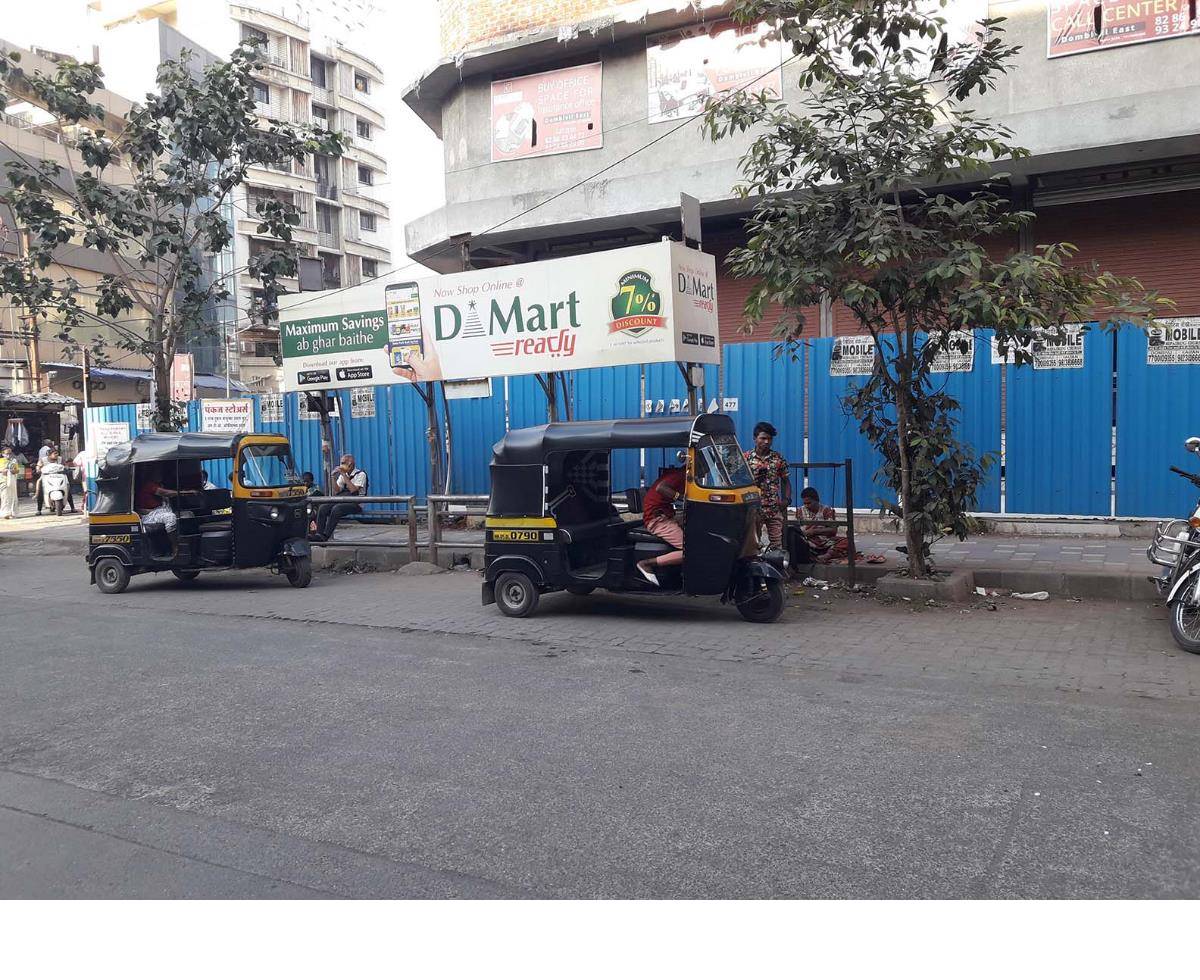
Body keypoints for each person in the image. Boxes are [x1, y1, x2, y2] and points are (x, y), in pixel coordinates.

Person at [635, 465, 685, 586]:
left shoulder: (682, 476)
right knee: (692, 550)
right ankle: (646, 563)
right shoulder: (679, 475)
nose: (706, 471)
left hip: (666, 516)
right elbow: (660, 487)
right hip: (657, 519)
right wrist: (682, 498)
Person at [744, 421, 790, 550]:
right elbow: (738, 483)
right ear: (755, 438)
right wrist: (754, 481)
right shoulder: (746, 458)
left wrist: (786, 499)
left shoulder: (778, 458)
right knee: (754, 543)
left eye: (769, 439)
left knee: (777, 545)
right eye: (763, 438)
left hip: (774, 508)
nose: (766, 442)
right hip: (754, 508)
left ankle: (778, 567)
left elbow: (786, 481)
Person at [313, 454, 367, 541]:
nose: (341, 465)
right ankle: (318, 534)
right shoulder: (343, 475)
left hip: (356, 503)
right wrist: (333, 477)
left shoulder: (361, 474)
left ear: (350, 464)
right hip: (343, 500)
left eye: (343, 463)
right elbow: (337, 491)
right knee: (323, 507)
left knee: (337, 508)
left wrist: (343, 474)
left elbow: (353, 490)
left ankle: (325, 536)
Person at [797, 486, 847, 562]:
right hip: (808, 542)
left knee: (847, 541)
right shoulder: (800, 511)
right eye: (805, 503)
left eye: (809, 503)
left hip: (825, 541)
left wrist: (815, 531)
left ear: (817, 500)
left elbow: (833, 530)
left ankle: (827, 555)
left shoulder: (826, 510)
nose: (807, 506)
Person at [0, 444, 20, 519]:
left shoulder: (14, 461)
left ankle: (13, 512)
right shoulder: (0, 461)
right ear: (2, 454)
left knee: (13, 496)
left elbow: (17, 470)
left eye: (10, 453)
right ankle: (5, 513)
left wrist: (12, 471)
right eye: (7, 453)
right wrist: (2, 471)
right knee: (5, 497)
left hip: (12, 481)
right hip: (3, 481)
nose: (8, 455)